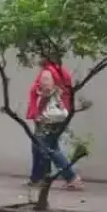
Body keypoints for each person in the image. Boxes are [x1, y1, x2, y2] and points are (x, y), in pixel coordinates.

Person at [25, 59, 84, 190]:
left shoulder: (47, 72)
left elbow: (47, 90)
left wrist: (39, 112)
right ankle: (37, 177)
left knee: (49, 148)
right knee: (40, 146)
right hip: (59, 115)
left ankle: (71, 177)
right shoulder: (60, 71)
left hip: (48, 117)